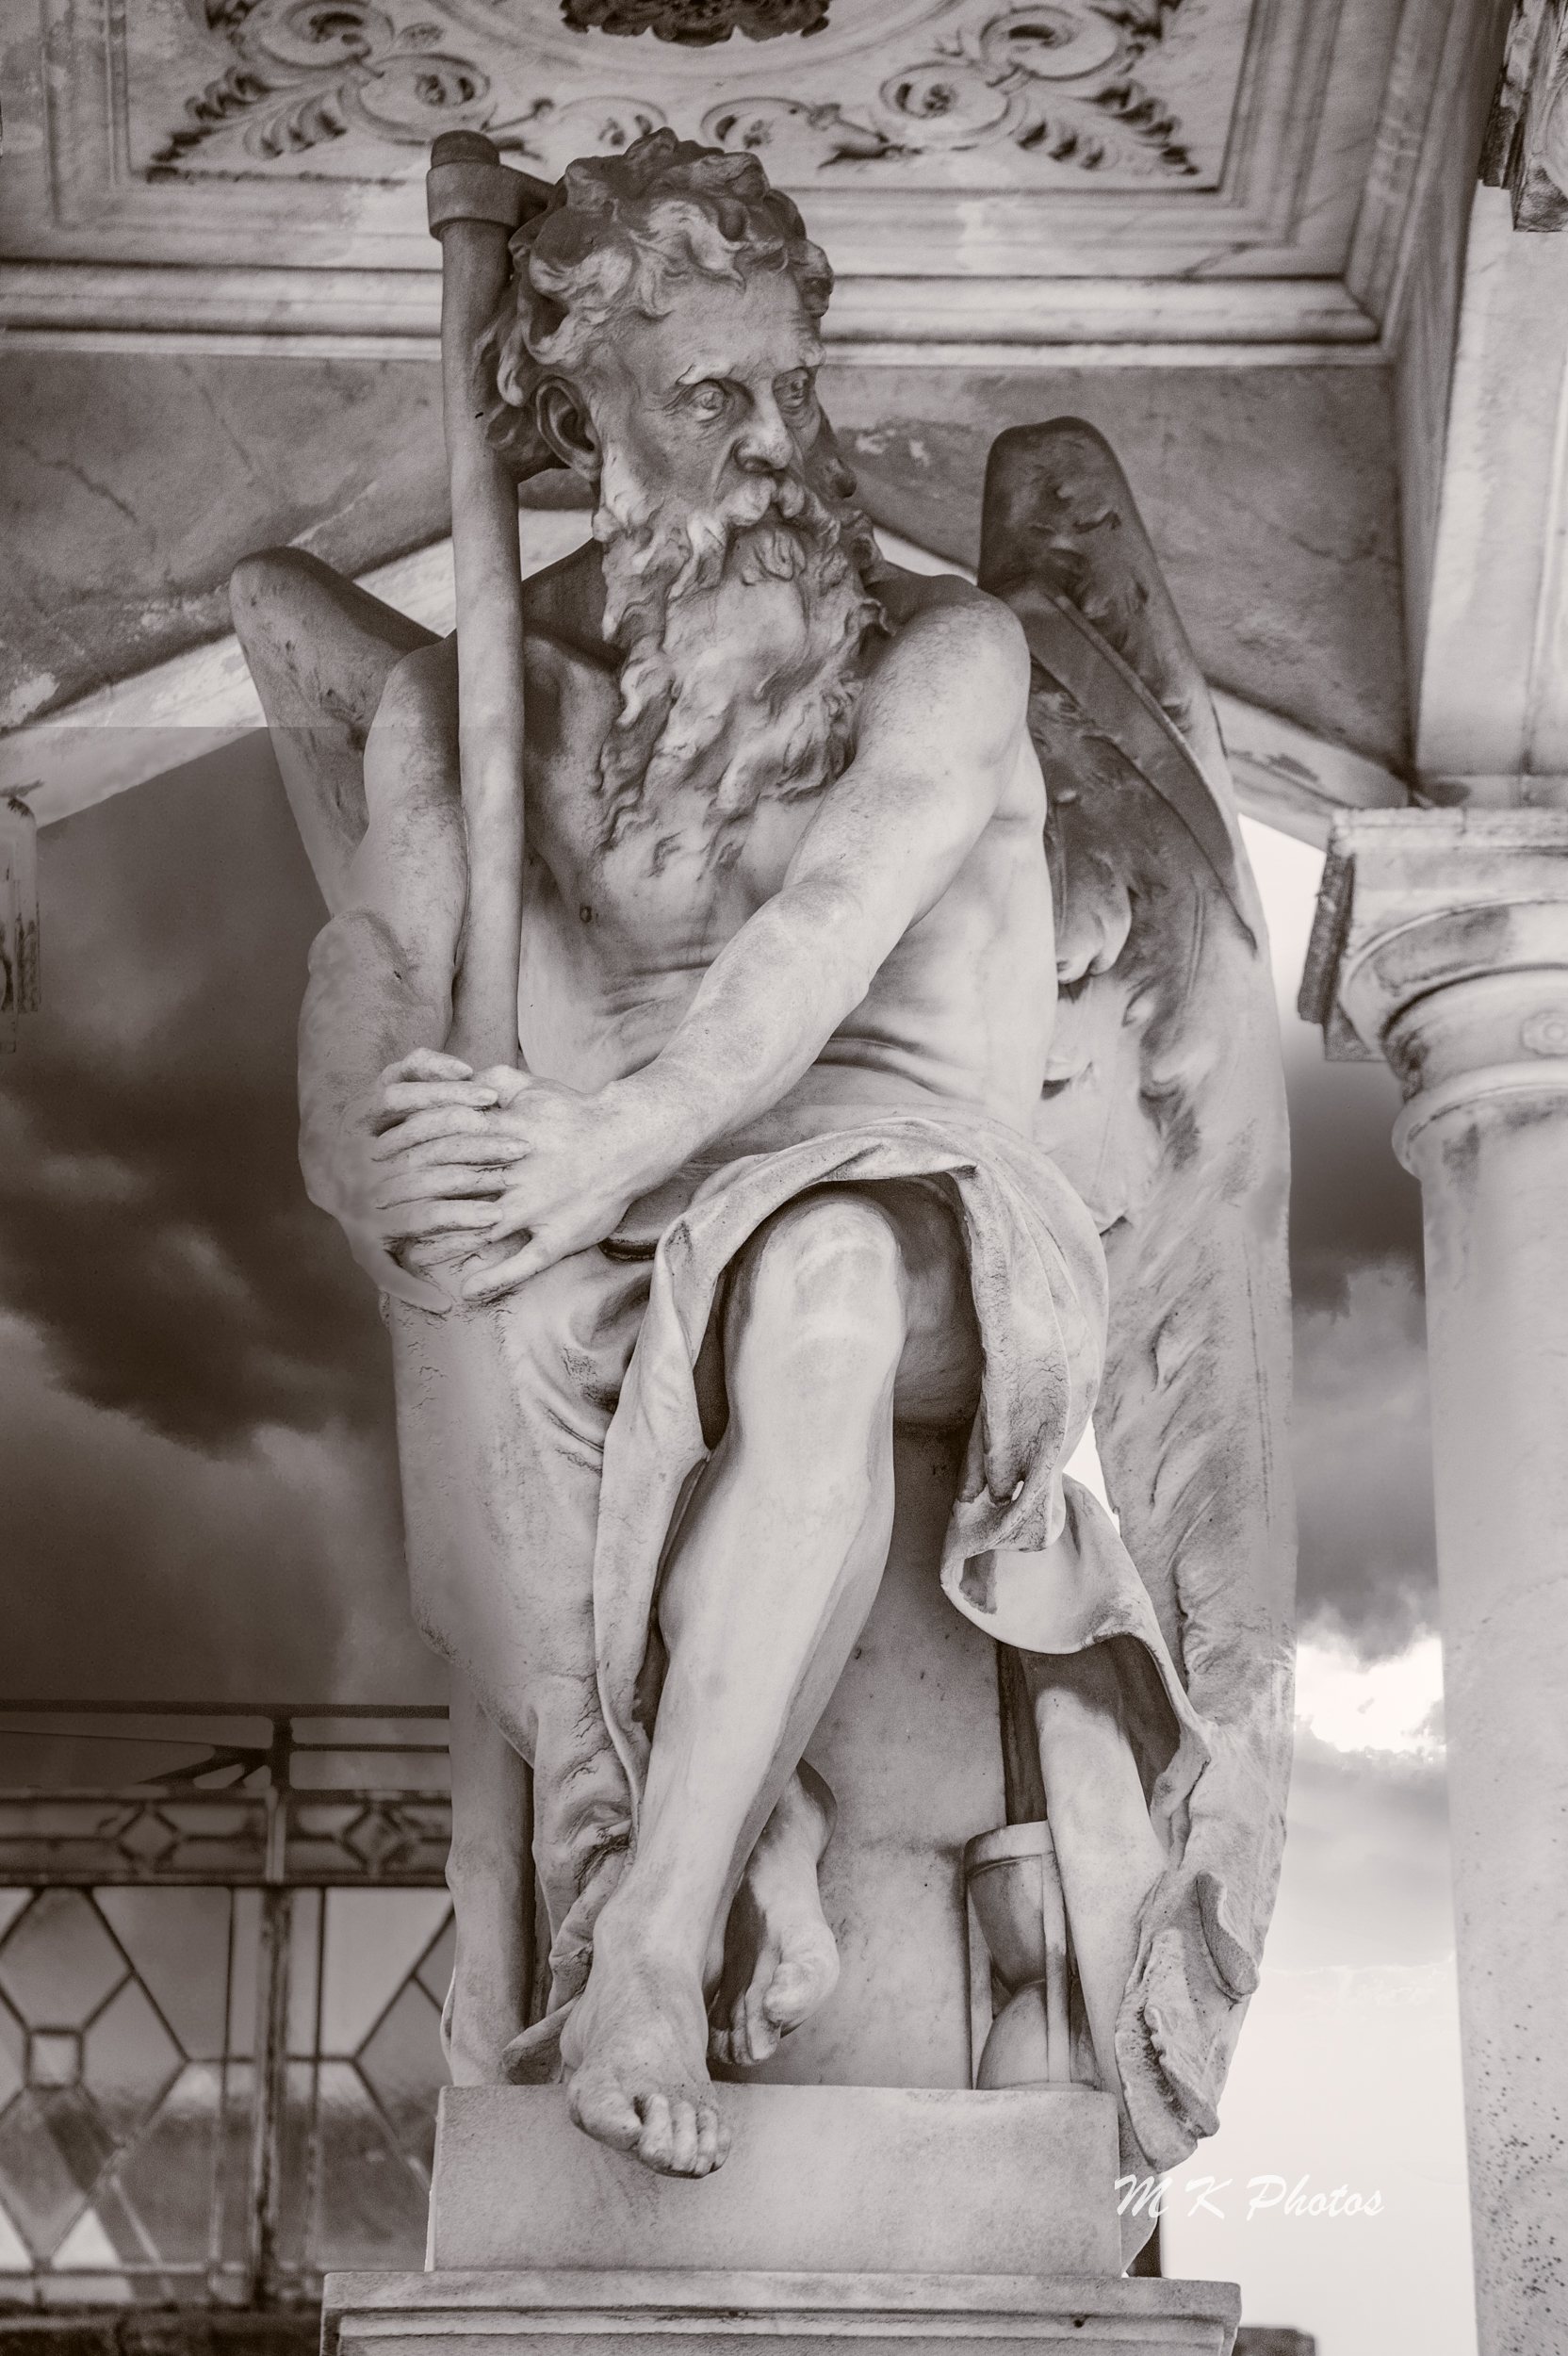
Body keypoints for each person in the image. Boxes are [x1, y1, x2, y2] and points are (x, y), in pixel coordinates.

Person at [231, 131, 1244, 2191]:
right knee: (515, 1296)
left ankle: (645, 1950)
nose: (780, 442)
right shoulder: (468, 708)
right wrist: (377, 1161)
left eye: (793, 381)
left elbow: (819, 941)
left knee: (821, 1273)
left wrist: (606, 1134)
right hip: (611, 1230)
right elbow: (374, 984)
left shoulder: (943, 656)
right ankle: (730, 1799)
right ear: (572, 410)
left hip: (936, 1211)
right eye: (711, 395)